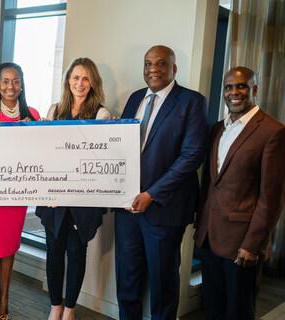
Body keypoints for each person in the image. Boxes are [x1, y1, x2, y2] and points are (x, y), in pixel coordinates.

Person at [115, 45, 208, 320]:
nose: (153, 69)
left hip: (164, 210)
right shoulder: (134, 99)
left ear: (173, 68)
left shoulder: (191, 102)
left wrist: (152, 194)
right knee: (127, 281)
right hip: (127, 209)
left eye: (160, 63)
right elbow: (120, 148)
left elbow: (192, 156)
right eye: (148, 64)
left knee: (163, 284)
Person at [195, 66, 285, 320]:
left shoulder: (272, 132)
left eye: (241, 86)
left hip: (241, 244)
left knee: (238, 312)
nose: (234, 92)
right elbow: (210, 184)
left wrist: (252, 245)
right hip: (210, 237)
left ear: (254, 89)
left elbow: (272, 198)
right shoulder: (217, 128)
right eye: (229, 87)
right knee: (212, 308)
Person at [36, 57, 111, 320]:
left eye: (86, 78)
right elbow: (44, 151)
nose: (80, 83)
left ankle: (69, 309)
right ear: (68, 80)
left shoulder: (102, 113)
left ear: (93, 83)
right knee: (54, 253)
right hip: (54, 197)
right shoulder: (55, 110)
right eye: (75, 77)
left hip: (82, 200)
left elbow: (100, 157)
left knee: (77, 254)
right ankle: (55, 305)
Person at [0, 62, 40, 320]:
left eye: (15, 81)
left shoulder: (33, 114)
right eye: (5, 81)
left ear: (21, 84)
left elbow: (39, 154)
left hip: (17, 193)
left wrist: (30, 132)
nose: (10, 86)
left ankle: (5, 296)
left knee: (9, 246)